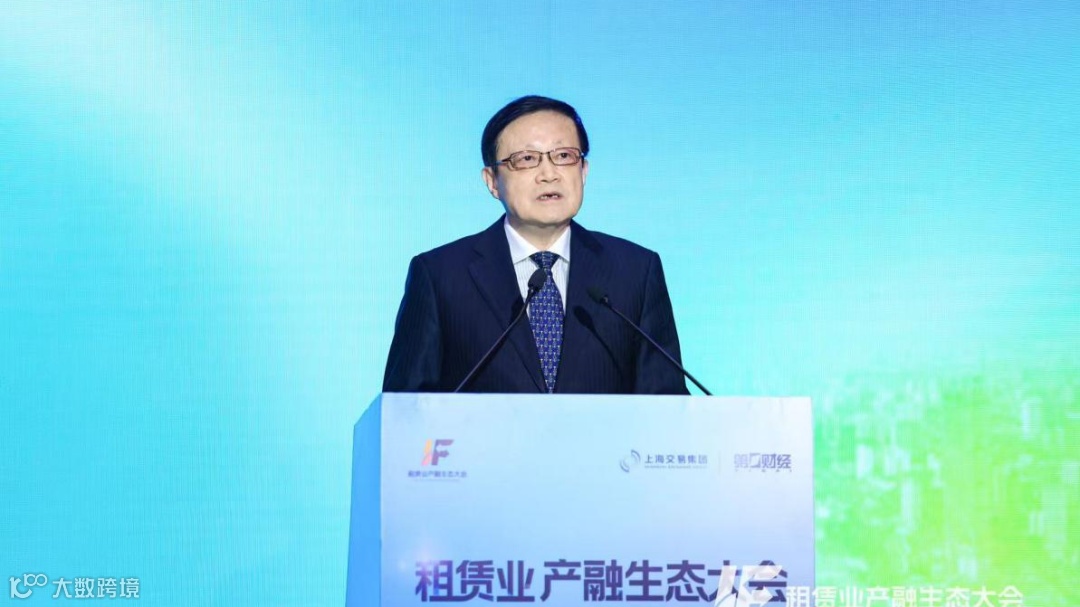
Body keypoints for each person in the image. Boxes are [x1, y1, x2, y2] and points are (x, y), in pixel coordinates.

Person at [383, 95, 689, 394]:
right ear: (492, 181)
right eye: (527, 159)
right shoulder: (440, 275)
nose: (549, 174)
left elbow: (666, 402)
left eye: (564, 156)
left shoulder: (635, 271)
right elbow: (404, 407)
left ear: (583, 171)